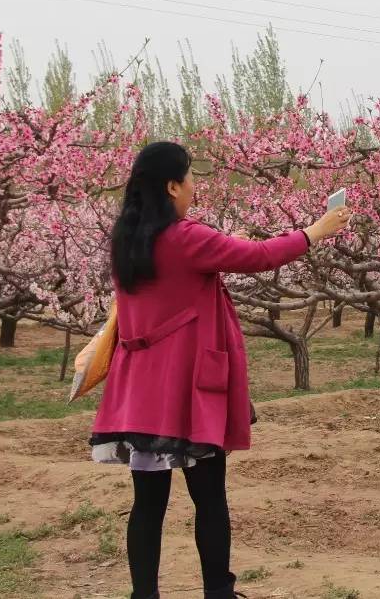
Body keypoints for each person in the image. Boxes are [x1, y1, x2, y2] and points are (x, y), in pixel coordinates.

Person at [90, 141, 352, 599]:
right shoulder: (185, 239)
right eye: (190, 177)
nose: (195, 186)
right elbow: (256, 256)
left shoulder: (126, 241)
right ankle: (219, 592)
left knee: (147, 505)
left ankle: (143, 595)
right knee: (209, 497)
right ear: (172, 186)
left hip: (140, 393)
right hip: (187, 392)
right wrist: (316, 231)